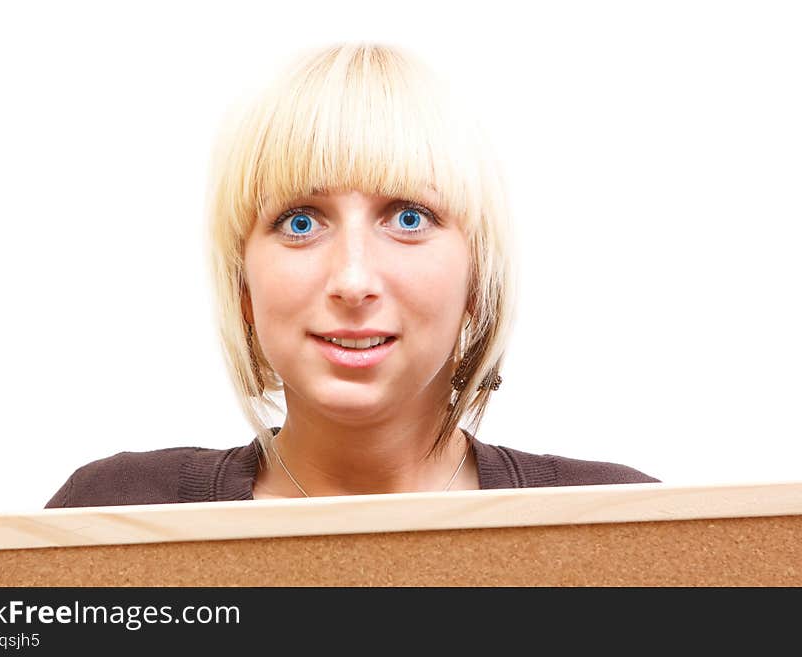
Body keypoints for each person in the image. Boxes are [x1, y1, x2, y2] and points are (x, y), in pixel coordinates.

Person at [45, 43, 658, 509]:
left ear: (478, 279)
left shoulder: (631, 526)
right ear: (243, 286)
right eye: (302, 222)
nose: (354, 280)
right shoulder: (112, 513)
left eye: (409, 217)